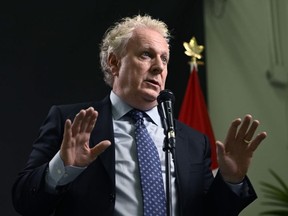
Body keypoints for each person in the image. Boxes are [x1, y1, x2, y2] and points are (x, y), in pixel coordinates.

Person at [12, 14, 267, 216]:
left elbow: (210, 212)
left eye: (165, 59)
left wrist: (231, 180)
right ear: (114, 63)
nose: (159, 66)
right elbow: (25, 202)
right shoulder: (70, 122)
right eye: (146, 54)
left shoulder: (192, 140)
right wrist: (63, 168)